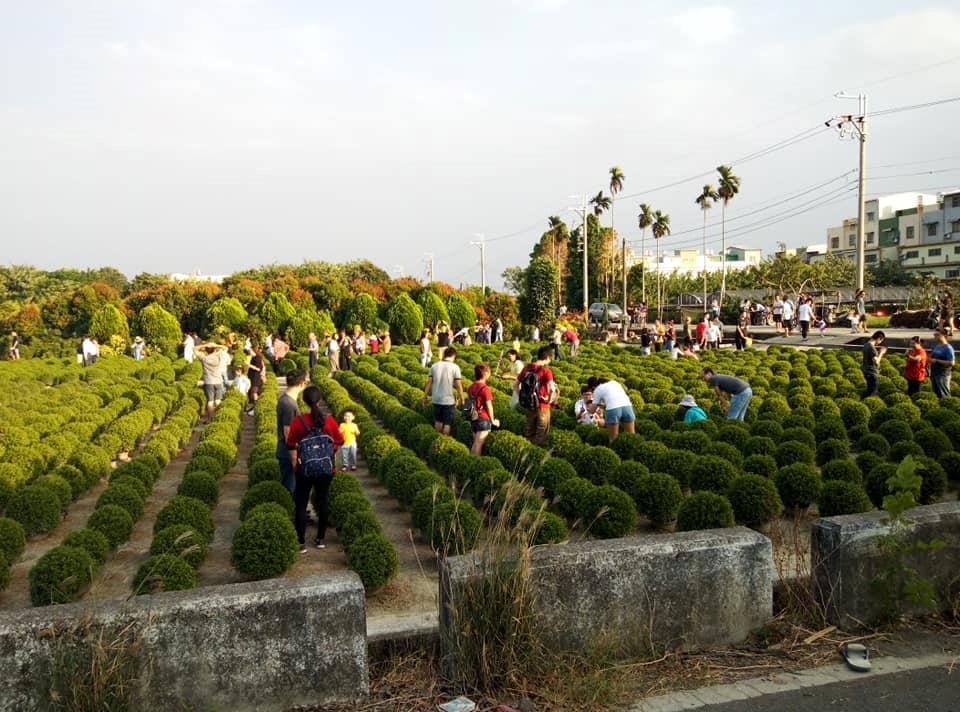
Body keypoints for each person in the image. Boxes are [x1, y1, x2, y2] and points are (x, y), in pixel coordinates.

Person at [285, 385, 344, 553]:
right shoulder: (329, 420)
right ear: (320, 400)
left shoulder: (299, 421)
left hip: (305, 469)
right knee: (323, 501)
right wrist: (328, 449)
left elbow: (290, 444)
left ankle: (301, 542)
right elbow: (340, 441)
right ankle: (320, 540)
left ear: (304, 401)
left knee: (301, 504)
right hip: (326, 469)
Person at [277, 368, 309, 495]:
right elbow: (288, 432)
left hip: (287, 451)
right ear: (301, 384)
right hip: (287, 453)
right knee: (291, 488)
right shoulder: (289, 404)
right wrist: (294, 457)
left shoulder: (285, 399)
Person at [518, 345, 556, 445]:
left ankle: (526, 449)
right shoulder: (546, 370)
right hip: (542, 405)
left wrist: (522, 396)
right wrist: (549, 400)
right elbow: (552, 388)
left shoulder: (527, 367)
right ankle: (535, 451)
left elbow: (515, 384)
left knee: (529, 430)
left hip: (530, 404)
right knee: (541, 432)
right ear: (547, 358)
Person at [421, 347, 464, 436]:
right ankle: (444, 440)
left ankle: (438, 438)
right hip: (448, 400)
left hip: (436, 398)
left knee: (438, 421)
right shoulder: (455, 367)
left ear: (445, 355)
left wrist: (424, 397)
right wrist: (462, 398)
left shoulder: (434, 366)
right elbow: (458, 385)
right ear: (454, 356)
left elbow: (429, 383)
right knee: (447, 423)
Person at [586, 376, 635, 443]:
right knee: (631, 436)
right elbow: (616, 400)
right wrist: (602, 406)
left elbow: (592, 410)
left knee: (613, 439)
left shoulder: (597, 389)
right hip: (627, 407)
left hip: (613, 410)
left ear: (593, 387)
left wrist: (587, 409)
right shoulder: (614, 382)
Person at [467, 363, 499, 456]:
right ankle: (474, 465)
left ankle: (471, 462)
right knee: (478, 444)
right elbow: (489, 406)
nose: (490, 373)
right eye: (489, 372)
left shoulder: (471, 387)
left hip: (474, 417)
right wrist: (493, 421)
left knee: (475, 443)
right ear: (485, 374)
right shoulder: (485, 389)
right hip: (483, 419)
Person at [197, 342, 228, 422]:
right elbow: (226, 348)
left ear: (207, 351)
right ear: (214, 350)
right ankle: (218, 418)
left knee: (210, 402)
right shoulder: (218, 357)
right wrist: (216, 345)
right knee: (218, 401)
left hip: (209, 382)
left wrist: (205, 345)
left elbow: (194, 349)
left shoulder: (204, 358)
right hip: (218, 381)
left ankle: (209, 419)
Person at [929, 329, 955, 399]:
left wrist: (937, 360)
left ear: (944, 336)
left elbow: (952, 363)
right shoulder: (937, 346)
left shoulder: (948, 348)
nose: (935, 336)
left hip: (943, 374)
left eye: (937, 335)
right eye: (934, 335)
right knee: (937, 394)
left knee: (944, 395)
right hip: (934, 373)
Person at [862, 330, 887, 398]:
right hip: (872, 372)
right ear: (879, 338)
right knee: (873, 393)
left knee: (869, 390)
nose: (879, 343)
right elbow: (876, 361)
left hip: (866, 370)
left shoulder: (866, 344)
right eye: (881, 341)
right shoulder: (871, 347)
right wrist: (881, 352)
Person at [246, 344, 267, 414]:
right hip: (254, 377)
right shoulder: (256, 357)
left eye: (250, 351)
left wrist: (248, 365)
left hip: (256, 377)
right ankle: (254, 407)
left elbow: (258, 368)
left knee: (254, 392)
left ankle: (256, 407)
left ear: (253, 351)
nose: (249, 352)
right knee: (254, 392)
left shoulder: (257, 358)